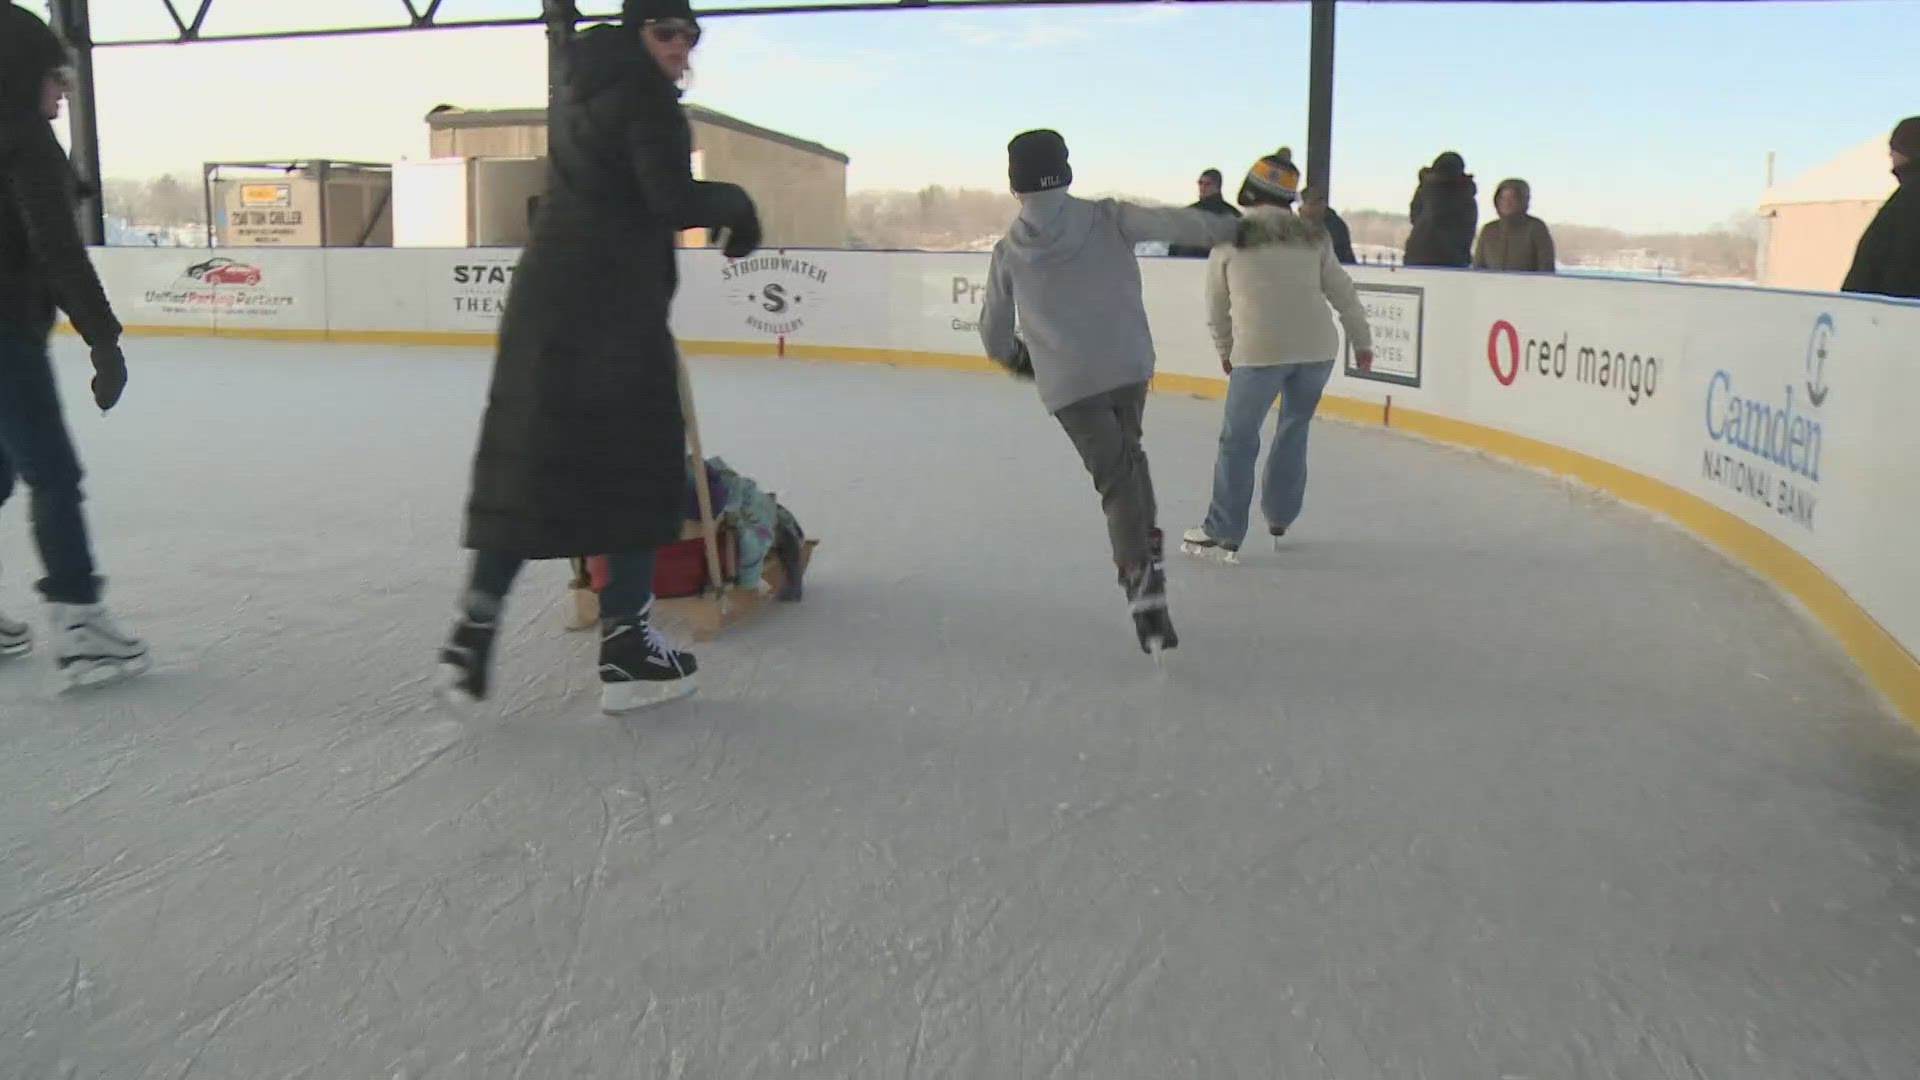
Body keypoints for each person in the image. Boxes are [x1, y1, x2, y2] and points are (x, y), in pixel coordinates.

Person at [436, 0, 762, 716]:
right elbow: (669, 196)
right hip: (612, 314)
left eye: (692, 35)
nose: (682, 47)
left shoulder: (578, 90)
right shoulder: (646, 98)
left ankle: (476, 623)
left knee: (530, 463)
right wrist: (737, 203)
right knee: (636, 473)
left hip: (543, 306)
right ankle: (627, 647)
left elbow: (610, 182)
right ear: (638, 32)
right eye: (668, 32)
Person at [977, 129, 1240, 656]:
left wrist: (1023, 360)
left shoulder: (1009, 252)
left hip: (1070, 384)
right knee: (1129, 461)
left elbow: (993, 334)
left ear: (1016, 186)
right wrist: (1236, 229)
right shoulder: (1107, 217)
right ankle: (1145, 555)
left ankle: (1141, 573)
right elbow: (1178, 221)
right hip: (1126, 367)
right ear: (1066, 170)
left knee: (1117, 477)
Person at [0, 4, 148, 687]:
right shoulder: (24, 139)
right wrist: (105, 340)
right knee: (53, 474)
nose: (62, 92)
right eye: (54, 77)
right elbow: (57, 248)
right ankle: (80, 619)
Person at [1180, 153, 1372, 563]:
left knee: (1238, 439)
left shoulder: (1231, 236)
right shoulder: (1313, 235)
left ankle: (1223, 530)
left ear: (1249, 191)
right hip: (1317, 350)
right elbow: (1342, 291)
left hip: (1261, 352)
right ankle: (1281, 515)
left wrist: (1225, 350)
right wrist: (1362, 340)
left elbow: (1217, 305)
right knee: (1294, 428)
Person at [1840, 116, 1920, 300]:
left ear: (1906, 150)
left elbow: (1870, 265)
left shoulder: (1905, 201)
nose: (1890, 156)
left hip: (1895, 316)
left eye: (1894, 149)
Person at [1401, 151, 1477, 268]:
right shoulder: (1465, 194)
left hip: (1418, 255)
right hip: (1453, 259)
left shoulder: (1427, 189)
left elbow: (1415, 215)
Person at [1472, 177, 1556, 273]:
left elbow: (1546, 268)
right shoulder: (1489, 230)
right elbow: (1478, 267)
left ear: (1523, 200)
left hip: (1527, 287)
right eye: (1502, 198)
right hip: (1492, 286)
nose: (1507, 202)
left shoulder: (1535, 228)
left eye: (1512, 198)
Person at [1169, 168, 1241, 257]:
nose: (1202, 187)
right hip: (1185, 264)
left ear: (1217, 187)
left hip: (1217, 265)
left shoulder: (1231, 215)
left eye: (1207, 184)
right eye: (1200, 183)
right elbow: (1176, 243)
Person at [1298, 183, 1356, 265]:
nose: (1299, 209)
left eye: (1306, 204)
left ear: (1321, 204)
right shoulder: (1307, 223)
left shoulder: (1334, 226)